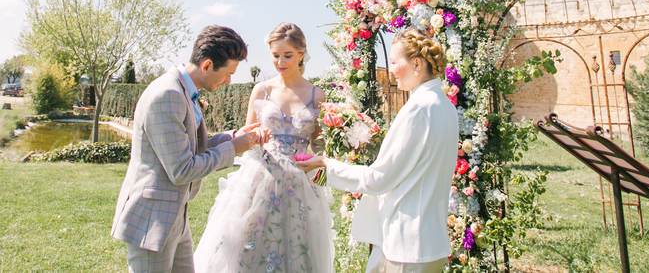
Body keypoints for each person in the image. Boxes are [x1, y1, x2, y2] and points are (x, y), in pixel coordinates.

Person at [298, 29, 459, 273]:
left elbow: (379, 179)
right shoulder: (444, 105)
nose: (391, 70)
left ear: (416, 64)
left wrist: (328, 166)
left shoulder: (418, 109)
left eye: (394, 62)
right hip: (431, 245)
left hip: (405, 246)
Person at [111, 25, 269, 273]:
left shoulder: (184, 91)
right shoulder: (168, 94)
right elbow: (182, 168)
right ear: (207, 65)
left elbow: (193, 147)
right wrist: (233, 149)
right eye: (228, 73)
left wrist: (233, 136)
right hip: (153, 220)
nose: (229, 81)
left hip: (174, 217)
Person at [194, 22, 335, 273]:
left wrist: (339, 133)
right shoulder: (262, 90)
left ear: (301, 54)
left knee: (297, 249)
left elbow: (319, 145)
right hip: (261, 179)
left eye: (287, 55)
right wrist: (257, 134)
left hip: (300, 184)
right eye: (275, 55)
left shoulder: (317, 95)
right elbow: (247, 136)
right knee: (248, 248)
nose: (281, 62)